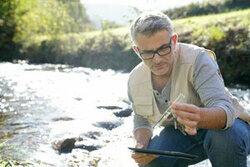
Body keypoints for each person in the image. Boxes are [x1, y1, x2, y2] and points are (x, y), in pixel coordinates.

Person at [127, 11, 250, 167]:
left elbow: (225, 111)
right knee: (151, 159)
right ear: (137, 51)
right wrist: (140, 145)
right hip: (181, 134)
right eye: (148, 53)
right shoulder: (134, 80)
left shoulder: (198, 59)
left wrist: (198, 116)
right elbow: (141, 121)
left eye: (163, 48)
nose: (157, 59)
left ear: (174, 41)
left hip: (230, 128)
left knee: (226, 139)